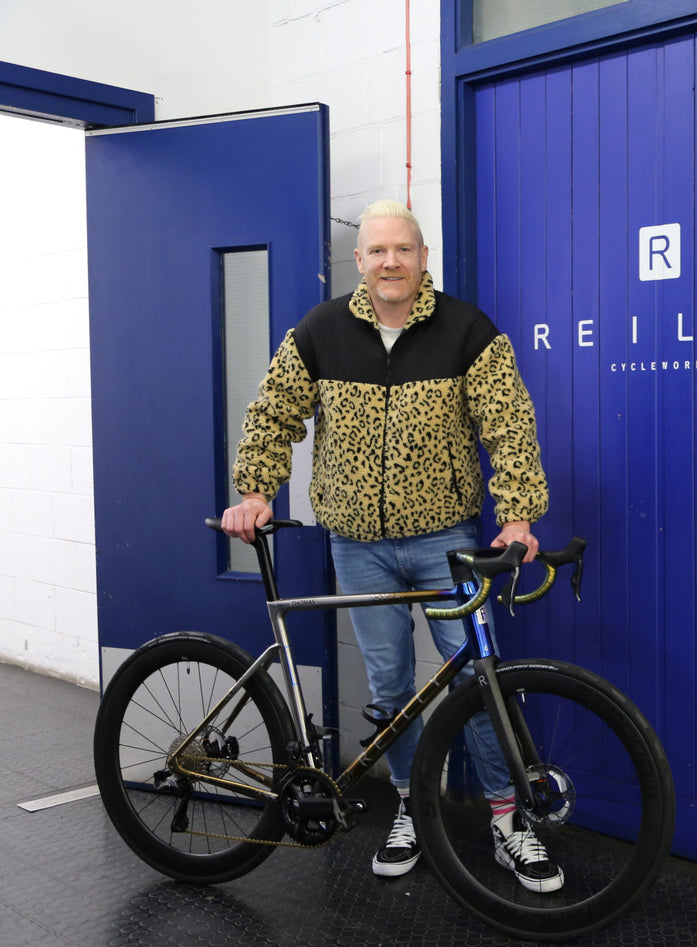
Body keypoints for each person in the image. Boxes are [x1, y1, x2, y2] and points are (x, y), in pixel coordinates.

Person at [221, 200, 561, 892]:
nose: (390, 262)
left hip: (447, 539)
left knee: (476, 680)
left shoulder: (467, 330)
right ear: (359, 261)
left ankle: (507, 817)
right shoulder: (319, 332)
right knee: (391, 686)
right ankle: (410, 805)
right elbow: (272, 413)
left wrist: (519, 516)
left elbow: (510, 424)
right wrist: (255, 491)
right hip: (357, 544)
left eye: (403, 249)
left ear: (423, 257)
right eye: (377, 251)